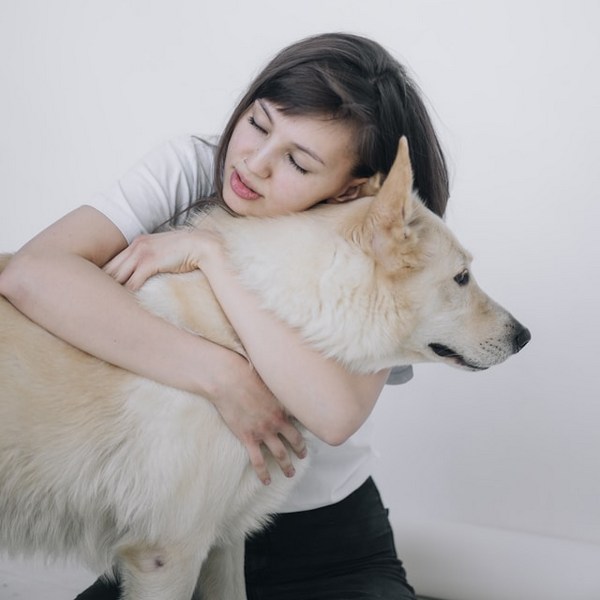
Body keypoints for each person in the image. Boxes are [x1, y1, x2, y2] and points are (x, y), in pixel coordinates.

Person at [0, 32, 448, 600]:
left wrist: (211, 255)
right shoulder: (192, 167)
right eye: (259, 124)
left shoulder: (378, 245)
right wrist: (223, 376)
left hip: (326, 543)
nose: (254, 164)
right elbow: (31, 275)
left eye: (298, 161)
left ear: (350, 191)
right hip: (175, 516)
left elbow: (334, 415)